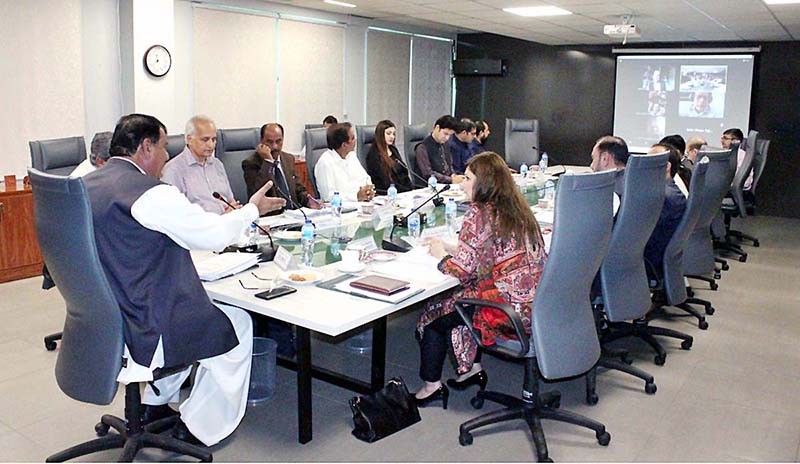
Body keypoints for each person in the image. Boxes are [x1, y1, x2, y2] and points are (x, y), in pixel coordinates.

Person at [81, 113, 285, 447]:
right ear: (145, 147)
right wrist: (251, 210)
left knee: (200, 306)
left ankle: (153, 407)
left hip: (106, 315)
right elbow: (212, 234)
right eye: (162, 147)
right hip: (144, 322)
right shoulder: (151, 194)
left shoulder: (86, 184)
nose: (165, 157)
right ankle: (197, 428)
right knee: (237, 322)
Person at [414, 152, 547, 407]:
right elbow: (488, 251)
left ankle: (431, 387)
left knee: (433, 314)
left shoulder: (478, 213)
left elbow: (462, 272)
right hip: (539, 304)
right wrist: (455, 247)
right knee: (461, 302)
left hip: (507, 311)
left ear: (484, 183)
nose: (461, 183)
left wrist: (442, 256)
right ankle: (472, 370)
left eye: (467, 178)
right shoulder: (516, 208)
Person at [161, 115, 237, 214]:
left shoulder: (217, 164)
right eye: (205, 140)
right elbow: (177, 214)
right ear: (189, 139)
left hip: (228, 223)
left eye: (214, 139)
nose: (211, 145)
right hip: (201, 227)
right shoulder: (173, 170)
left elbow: (231, 201)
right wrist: (222, 217)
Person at [242, 123, 312, 212]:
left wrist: (310, 201)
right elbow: (256, 195)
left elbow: (298, 189)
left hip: (294, 215)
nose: (275, 146)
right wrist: (268, 161)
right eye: (269, 142)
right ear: (262, 141)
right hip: (271, 218)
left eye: (279, 141)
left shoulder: (288, 159)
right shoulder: (251, 163)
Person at [644, 144, 687, 279]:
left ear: (667, 166)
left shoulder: (663, 197)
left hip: (649, 260)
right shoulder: (672, 191)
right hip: (660, 258)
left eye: (649, 161)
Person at [314, 122, 375, 202]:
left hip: (361, 204)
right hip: (341, 209)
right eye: (352, 138)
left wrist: (368, 190)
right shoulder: (325, 162)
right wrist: (356, 196)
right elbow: (328, 197)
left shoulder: (351, 156)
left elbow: (366, 178)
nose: (355, 140)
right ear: (344, 145)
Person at [365, 120, 413, 193]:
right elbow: (385, 182)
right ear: (381, 134)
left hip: (403, 191)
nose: (392, 137)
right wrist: (405, 190)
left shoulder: (393, 149)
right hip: (388, 193)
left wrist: (411, 188)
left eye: (394, 134)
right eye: (388, 133)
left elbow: (404, 172)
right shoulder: (374, 155)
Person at [414, 115, 464, 185]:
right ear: (437, 128)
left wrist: (454, 176)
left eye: (450, 135)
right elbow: (428, 173)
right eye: (445, 134)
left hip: (447, 185)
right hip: (431, 187)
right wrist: (451, 180)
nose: (447, 138)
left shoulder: (445, 144)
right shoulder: (422, 147)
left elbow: (449, 165)